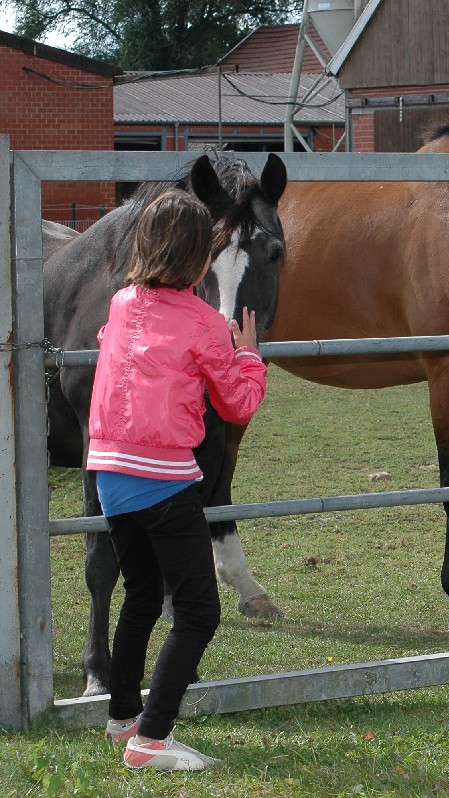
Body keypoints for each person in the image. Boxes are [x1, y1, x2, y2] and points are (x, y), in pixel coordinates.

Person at [89, 188, 267, 770]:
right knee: (198, 611)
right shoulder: (203, 321)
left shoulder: (121, 303)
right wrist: (248, 356)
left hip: (110, 474)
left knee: (141, 594)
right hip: (163, 480)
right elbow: (238, 404)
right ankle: (152, 738)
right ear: (199, 256)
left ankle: (123, 718)